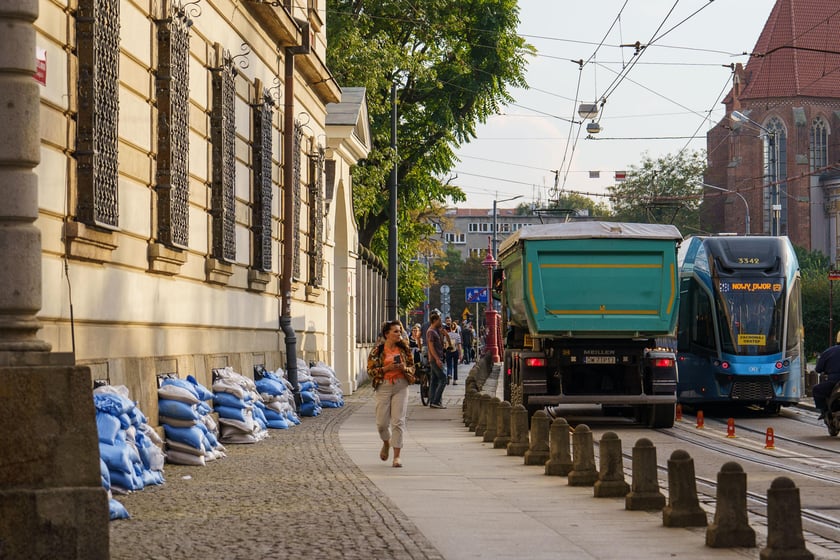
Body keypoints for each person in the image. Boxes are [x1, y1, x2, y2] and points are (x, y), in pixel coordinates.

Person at [367, 320, 416, 467]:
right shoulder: (378, 350)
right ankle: (386, 442)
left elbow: (412, 368)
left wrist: (404, 368)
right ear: (387, 334)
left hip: (401, 385)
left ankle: (397, 457)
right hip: (383, 386)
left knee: (398, 421)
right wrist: (386, 368)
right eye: (395, 331)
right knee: (382, 424)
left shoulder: (404, 349)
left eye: (399, 331)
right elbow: (370, 371)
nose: (398, 334)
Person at [813, 330, 840, 420]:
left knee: (816, 389)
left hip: (834, 381)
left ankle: (824, 411)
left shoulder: (829, 351)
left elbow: (818, 369)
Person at [426, 311, 448, 409]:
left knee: (434, 380)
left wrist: (444, 334)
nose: (441, 322)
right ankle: (436, 401)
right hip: (435, 359)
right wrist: (437, 359)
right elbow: (431, 346)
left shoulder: (436, 331)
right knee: (443, 379)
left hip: (436, 358)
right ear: (434, 320)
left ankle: (432, 400)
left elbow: (441, 344)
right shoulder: (431, 331)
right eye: (439, 320)